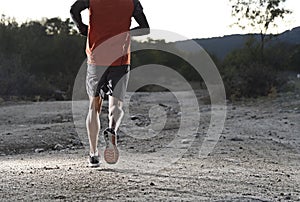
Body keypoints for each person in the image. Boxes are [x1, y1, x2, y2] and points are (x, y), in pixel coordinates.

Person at [70, 0, 150, 167]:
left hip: (96, 58)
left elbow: (74, 9)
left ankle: (93, 154)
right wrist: (125, 33)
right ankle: (112, 130)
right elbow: (144, 28)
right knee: (116, 105)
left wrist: (82, 28)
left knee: (94, 107)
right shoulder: (131, 2)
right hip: (120, 59)